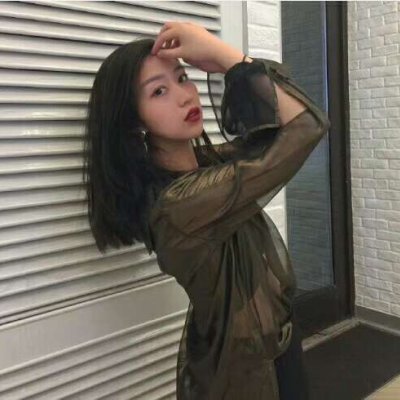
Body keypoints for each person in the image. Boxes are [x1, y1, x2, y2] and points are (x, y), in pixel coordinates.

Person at [83, 21, 330, 400]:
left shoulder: (209, 163)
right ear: (134, 122)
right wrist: (222, 54)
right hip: (241, 373)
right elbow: (308, 126)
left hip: (272, 348)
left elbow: (282, 128)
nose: (185, 96)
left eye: (182, 78)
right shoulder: (180, 203)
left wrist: (228, 65)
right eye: (159, 91)